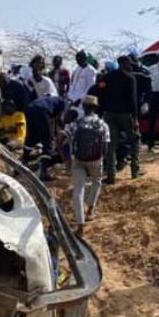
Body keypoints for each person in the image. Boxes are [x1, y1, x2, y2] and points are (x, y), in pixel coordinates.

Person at [64, 95, 110, 237]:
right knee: (97, 181)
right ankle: (90, 211)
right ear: (96, 107)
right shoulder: (102, 124)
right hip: (96, 159)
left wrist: (66, 159)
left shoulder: (77, 123)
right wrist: (102, 159)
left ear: (83, 107)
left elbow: (63, 138)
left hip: (79, 159)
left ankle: (80, 225)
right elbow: (106, 145)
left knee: (78, 190)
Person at [103, 56, 142, 184]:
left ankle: (111, 175)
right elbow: (133, 100)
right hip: (125, 114)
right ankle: (135, 171)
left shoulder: (108, 77)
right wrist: (135, 118)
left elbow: (101, 90)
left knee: (111, 145)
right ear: (123, 64)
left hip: (110, 114)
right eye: (129, 64)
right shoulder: (130, 78)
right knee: (135, 140)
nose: (131, 66)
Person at [24, 95, 66, 180]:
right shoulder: (63, 103)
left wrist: (53, 132)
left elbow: (52, 119)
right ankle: (44, 172)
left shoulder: (49, 100)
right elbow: (59, 120)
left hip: (29, 109)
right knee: (47, 142)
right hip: (41, 111)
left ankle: (23, 163)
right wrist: (60, 132)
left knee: (30, 137)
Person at [68, 50, 98, 115]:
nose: (78, 62)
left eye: (80, 59)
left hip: (81, 102)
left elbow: (90, 87)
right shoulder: (77, 69)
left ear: (85, 59)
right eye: (77, 60)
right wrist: (69, 95)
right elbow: (73, 84)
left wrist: (80, 99)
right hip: (72, 99)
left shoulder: (91, 70)